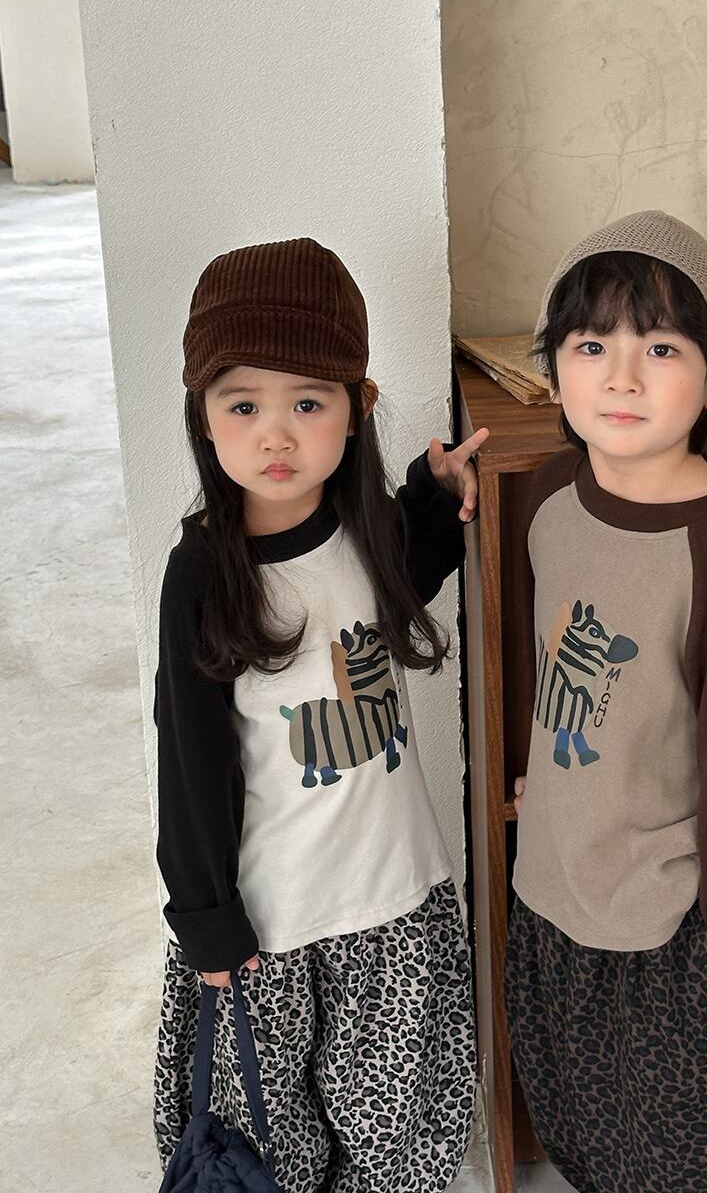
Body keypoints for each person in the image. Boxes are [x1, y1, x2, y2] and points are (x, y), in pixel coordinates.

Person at [152, 237, 484, 1192]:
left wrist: (435, 494)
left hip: (393, 899)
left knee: (395, 1134)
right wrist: (206, 919)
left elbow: (411, 569)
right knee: (272, 1142)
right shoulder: (203, 575)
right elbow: (190, 763)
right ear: (203, 415)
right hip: (274, 924)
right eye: (243, 406)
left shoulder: (367, 530)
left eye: (308, 403)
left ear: (356, 408)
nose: (276, 436)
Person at [506, 211, 707, 1192]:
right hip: (555, 890)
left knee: (687, 1158)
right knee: (588, 1131)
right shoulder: (549, 496)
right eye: (592, 346)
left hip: (671, 929)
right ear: (554, 371)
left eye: (660, 347)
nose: (621, 377)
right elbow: (537, 652)